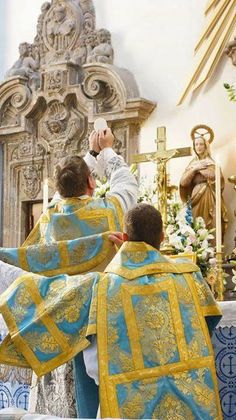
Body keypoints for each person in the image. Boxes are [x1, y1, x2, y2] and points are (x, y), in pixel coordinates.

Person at [0, 204, 222, 419]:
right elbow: (208, 324)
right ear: (162, 237)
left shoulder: (100, 287)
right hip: (189, 402)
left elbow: (46, 294)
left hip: (125, 407)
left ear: (124, 238)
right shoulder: (192, 277)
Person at [0, 127, 138, 418]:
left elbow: (66, 189)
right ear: (91, 181)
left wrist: (89, 157)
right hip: (95, 325)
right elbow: (127, 186)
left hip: (54, 324)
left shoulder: (49, 218)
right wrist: (107, 151)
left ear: (59, 189)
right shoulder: (108, 211)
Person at [179, 136, 228, 243]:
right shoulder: (191, 164)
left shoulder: (210, 162)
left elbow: (215, 176)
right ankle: (197, 248)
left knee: (211, 222)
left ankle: (212, 250)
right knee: (196, 222)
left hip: (208, 194)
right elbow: (183, 182)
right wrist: (194, 169)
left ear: (206, 146)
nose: (199, 147)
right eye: (196, 144)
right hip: (195, 196)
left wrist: (199, 168)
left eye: (201, 144)